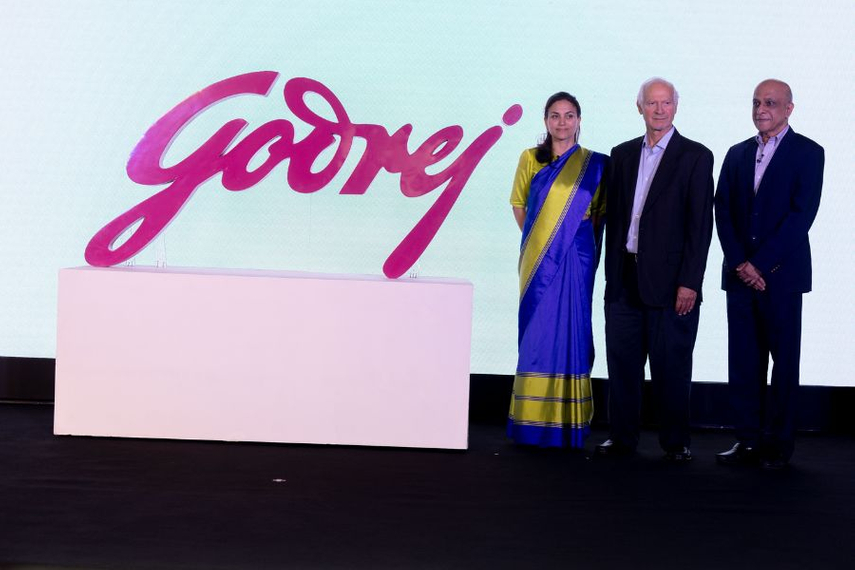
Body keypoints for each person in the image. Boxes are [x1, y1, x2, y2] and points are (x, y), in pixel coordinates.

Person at [597, 77, 714, 461]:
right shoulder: (622, 154)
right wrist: (610, 275)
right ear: (640, 108)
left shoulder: (696, 156)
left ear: (675, 107)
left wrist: (690, 283)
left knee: (672, 368)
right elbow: (614, 219)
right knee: (623, 365)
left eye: (666, 103)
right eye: (652, 103)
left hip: (671, 285)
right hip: (624, 278)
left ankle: (675, 443)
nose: (659, 110)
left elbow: (700, 227)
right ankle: (622, 438)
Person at [714, 79, 824, 470]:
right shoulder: (737, 153)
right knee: (744, 362)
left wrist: (760, 264)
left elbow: (801, 216)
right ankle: (747, 440)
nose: (762, 109)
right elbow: (722, 210)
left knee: (783, 364)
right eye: (757, 102)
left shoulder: (809, 153)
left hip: (782, 276)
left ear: (789, 109)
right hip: (741, 277)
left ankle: (778, 443)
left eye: (771, 103)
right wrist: (741, 263)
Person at [507, 92, 607, 448]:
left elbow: (599, 215)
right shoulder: (531, 159)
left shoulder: (595, 164)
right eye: (555, 116)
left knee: (573, 328)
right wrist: (542, 239)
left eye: (569, 116)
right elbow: (519, 205)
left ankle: (569, 419)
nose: (561, 123)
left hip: (577, 254)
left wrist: (567, 237)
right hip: (539, 256)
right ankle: (531, 422)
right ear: (545, 120)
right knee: (538, 330)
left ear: (579, 120)